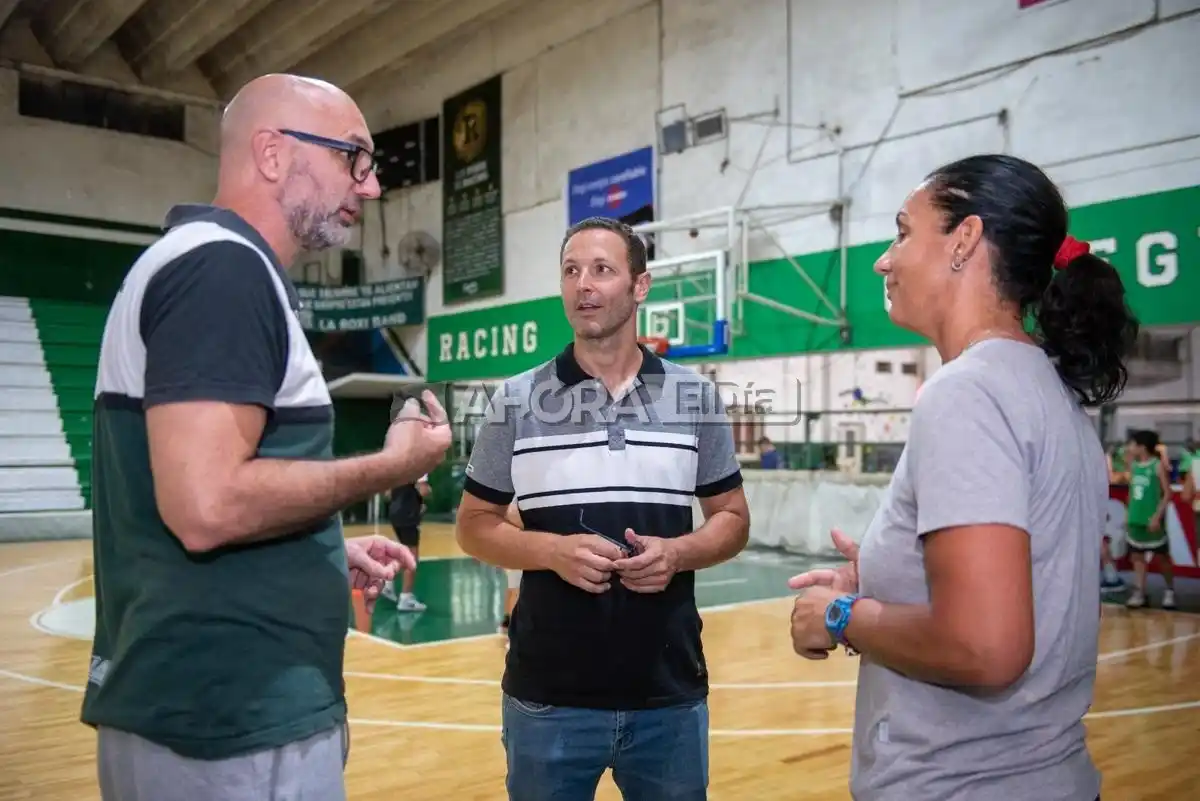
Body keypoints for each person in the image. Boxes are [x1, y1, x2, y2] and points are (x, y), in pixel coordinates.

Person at [81, 73, 452, 801]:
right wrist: (390, 464)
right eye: (354, 156)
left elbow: (209, 488)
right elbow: (208, 505)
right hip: (229, 721)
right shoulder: (224, 271)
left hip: (210, 715)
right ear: (274, 154)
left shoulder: (205, 264)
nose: (370, 187)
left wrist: (318, 547)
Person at [787, 153, 1138, 801]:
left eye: (901, 231)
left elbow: (985, 646)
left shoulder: (967, 393)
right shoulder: (1049, 392)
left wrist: (840, 614)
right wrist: (885, 578)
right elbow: (1012, 587)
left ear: (965, 240)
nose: (882, 260)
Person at [455, 216, 750, 801]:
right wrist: (550, 552)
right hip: (548, 698)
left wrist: (678, 553)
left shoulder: (695, 397)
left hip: (668, 694)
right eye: (570, 271)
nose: (582, 285)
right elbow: (473, 527)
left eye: (601, 270)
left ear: (640, 287)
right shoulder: (515, 400)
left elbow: (733, 520)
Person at [1122, 429, 1176, 610]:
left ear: (1142, 447)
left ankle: (1169, 590)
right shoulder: (1134, 465)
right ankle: (1140, 591)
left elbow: (1167, 493)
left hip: (1152, 519)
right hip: (1135, 518)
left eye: (1133, 444)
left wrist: (1157, 516)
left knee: (1162, 558)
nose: (1130, 447)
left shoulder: (1157, 465)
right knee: (1137, 557)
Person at [382, 473, 432, 611]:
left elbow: (387, 493)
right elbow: (424, 490)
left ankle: (388, 582)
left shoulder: (401, 465)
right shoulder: (420, 465)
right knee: (412, 557)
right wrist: (426, 492)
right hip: (408, 514)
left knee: (403, 552)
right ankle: (406, 598)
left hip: (394, 512)